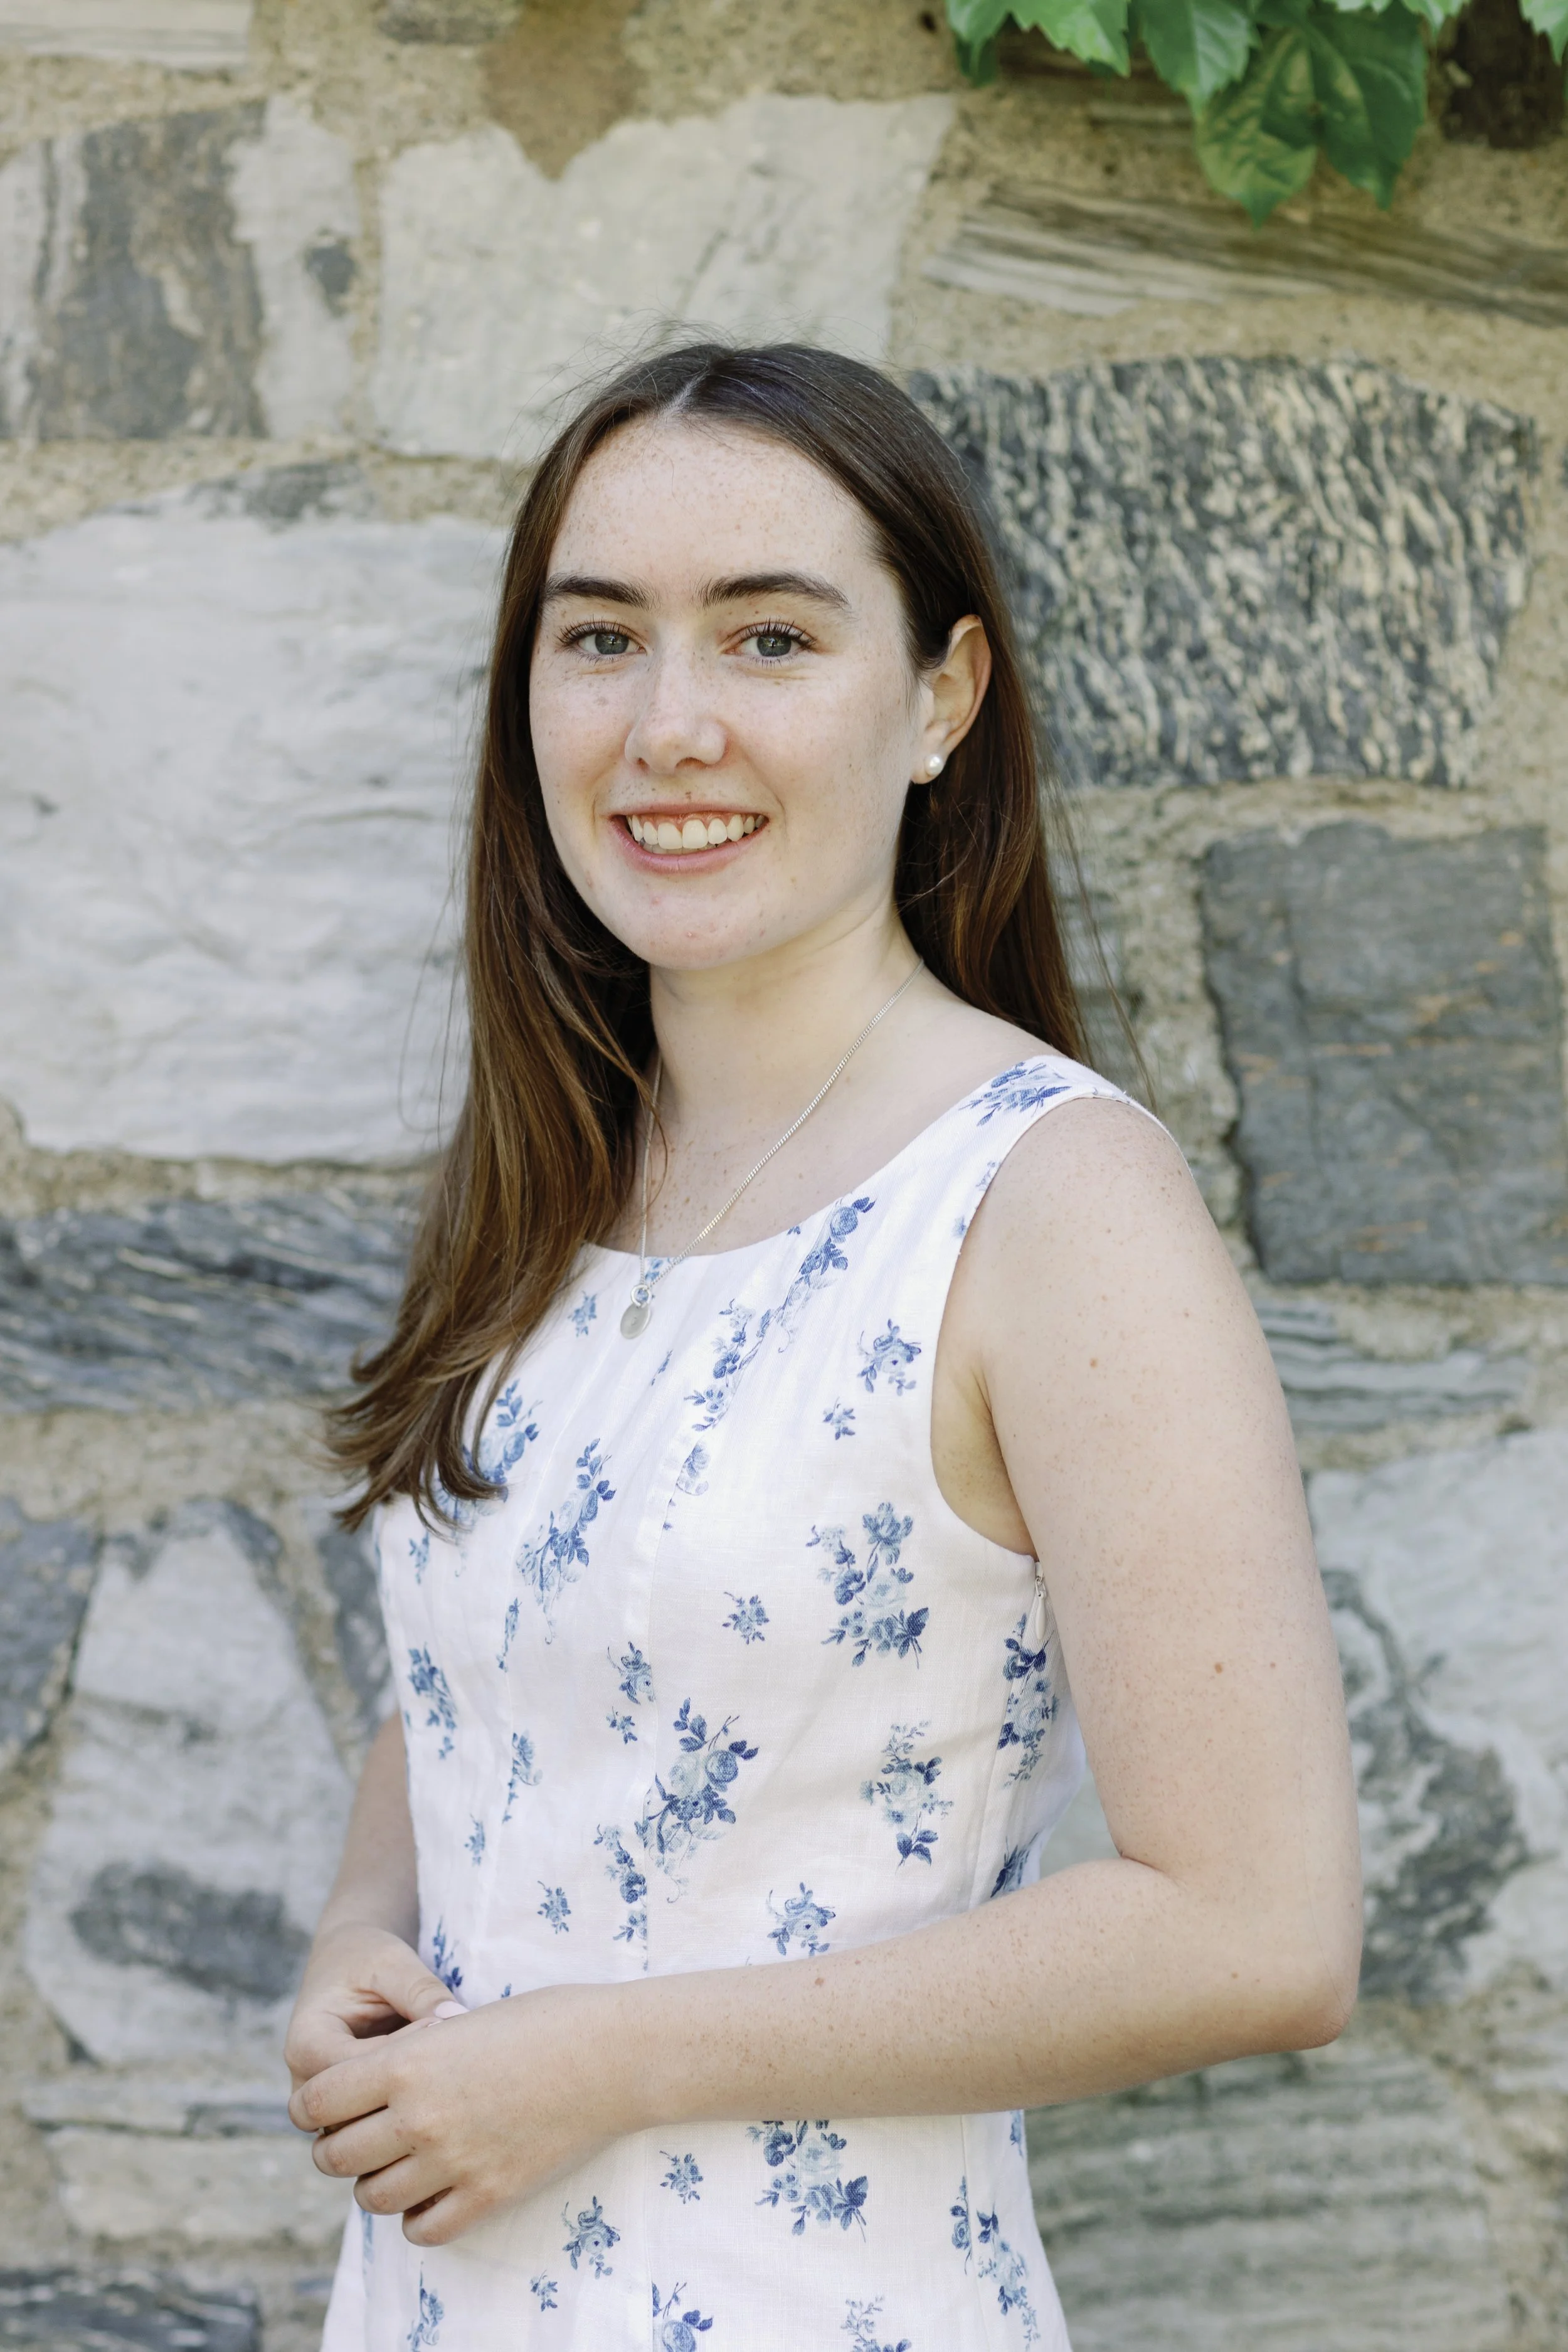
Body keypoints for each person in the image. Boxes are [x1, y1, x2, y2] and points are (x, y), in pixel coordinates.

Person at [286, 342, 1361, 2352]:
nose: (666, 723)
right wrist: (371, 1930)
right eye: (597, 638)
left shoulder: (1045, 1206)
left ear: (940, 697)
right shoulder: (563, 1178)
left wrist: (596, 2062)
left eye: (767, 636)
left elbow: (1257, 1926)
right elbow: (493, 1646)